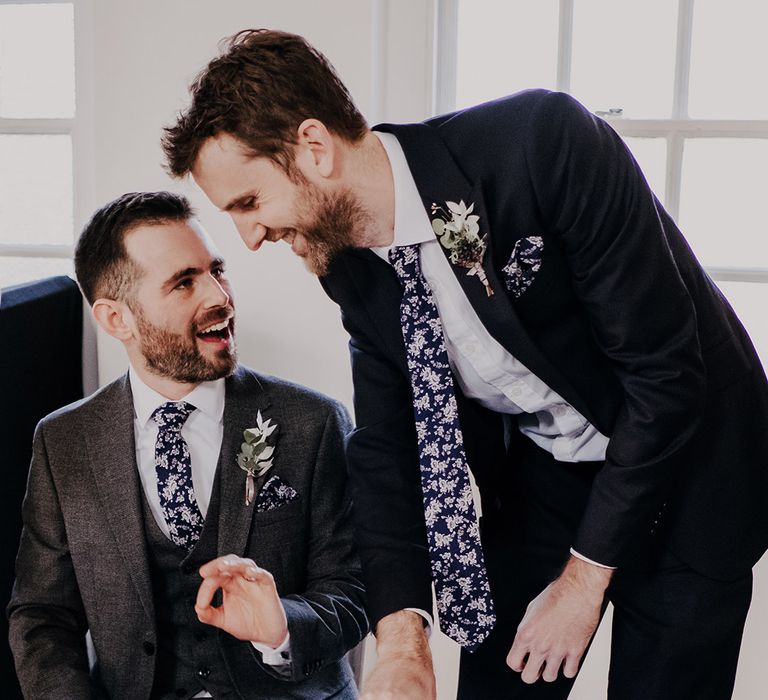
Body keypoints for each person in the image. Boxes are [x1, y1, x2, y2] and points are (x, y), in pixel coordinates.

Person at [162, 29, 768, 700]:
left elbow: (665, 376)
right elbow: (387, 453)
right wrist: (401, 642)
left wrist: (584, 579)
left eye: (249, 204)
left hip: (691, 464)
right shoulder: (349, 271)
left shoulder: (542, 143)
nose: (249, 239)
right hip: (549, 478)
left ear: (314, 147)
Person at [7, 191, 368, 700]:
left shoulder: (314, 423)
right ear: (116, 319)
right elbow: (43, 615)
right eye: (184, 283)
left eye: (216, 270)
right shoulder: (63, 441)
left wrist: (280, 625)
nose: (219, 296)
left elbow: (354, 592)